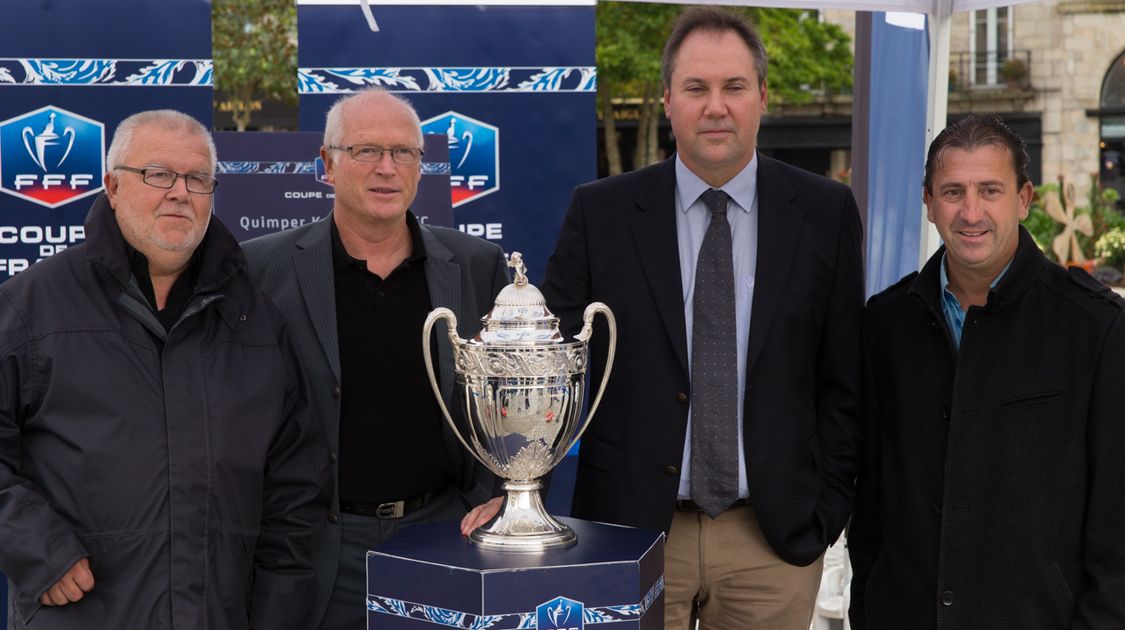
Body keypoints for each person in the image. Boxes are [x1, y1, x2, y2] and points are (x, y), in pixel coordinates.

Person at [468, 7, 863, 629]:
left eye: (734, 87)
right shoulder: (600, 213)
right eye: (696, 88)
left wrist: (827, 507)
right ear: (667, 99)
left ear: (762, 95)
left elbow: (844, 373)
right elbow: (547, 367)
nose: (716, 106)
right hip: (629, 532)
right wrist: (505, 482)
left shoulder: (824, 212)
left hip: (773, 539)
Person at [0, 110, 332, 630]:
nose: (180, 192)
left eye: (198, 178)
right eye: (157, 174)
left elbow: (294, 491)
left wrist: (277, 614)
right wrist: (37, 549)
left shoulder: (255, 321)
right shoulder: (31, 306)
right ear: (112, 186)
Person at [243, 88, 508, 630]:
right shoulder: (261, 270)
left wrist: (508, 493)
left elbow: (512, 400)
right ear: (327, 165)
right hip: (317, 550)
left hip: (442, 534)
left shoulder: (478, 266)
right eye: (366, 151)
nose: (387, 168)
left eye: (404, 152)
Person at [848, 115, 1125, 628]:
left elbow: (1117, 526)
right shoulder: (883, 326)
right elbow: (870, 510)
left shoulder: (1097, 329)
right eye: (953, 192)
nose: (971, 212)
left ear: (1023, 200)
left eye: (989, 190)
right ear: (929, 203)